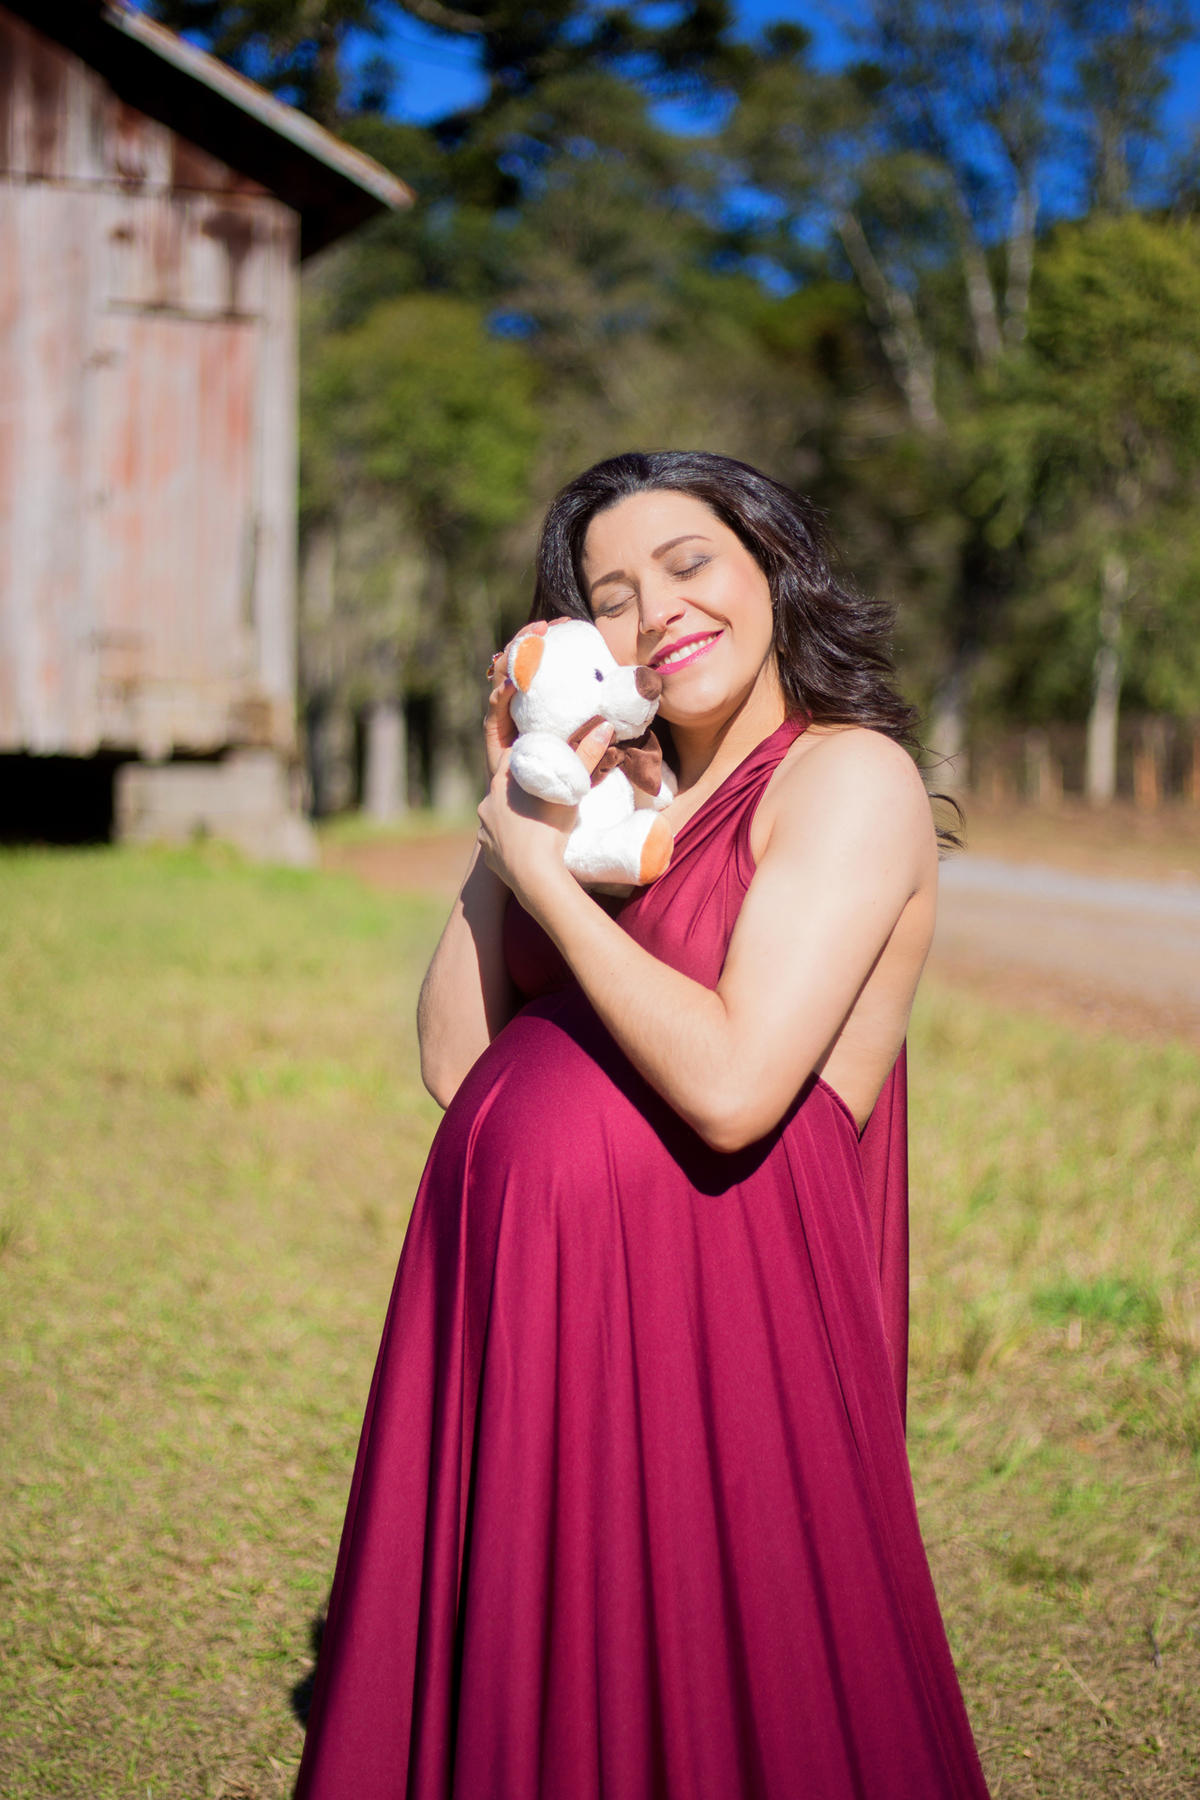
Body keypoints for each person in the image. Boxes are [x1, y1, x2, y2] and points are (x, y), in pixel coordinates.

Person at [294, 451, 990, 1800]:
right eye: (608, 597)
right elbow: (455, 1059)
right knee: (556, 1674)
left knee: (715, 1690)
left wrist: (549, 886)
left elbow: (733, 1089)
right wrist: (521, 820)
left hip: (714, 1314)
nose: (655, 610)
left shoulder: (845, 779)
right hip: (547, 1303)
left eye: (687, 564)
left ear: (772, 567)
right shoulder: (623, 815)